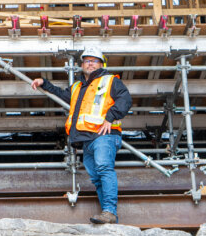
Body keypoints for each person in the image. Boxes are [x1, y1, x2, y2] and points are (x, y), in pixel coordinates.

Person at [31, 45, 132, 224]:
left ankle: (109, 211)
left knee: (104, 169)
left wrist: (110, 117)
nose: (90, 64)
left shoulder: (110, 81)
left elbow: (125, 99)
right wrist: (44, 83)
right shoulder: (78, 86)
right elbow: (62, 95)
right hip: (86, 140)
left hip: (104, 136)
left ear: (101, 64)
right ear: (82, 64)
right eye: (87, 61)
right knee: (97, 178)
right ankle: (109, 216)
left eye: (94, 61)